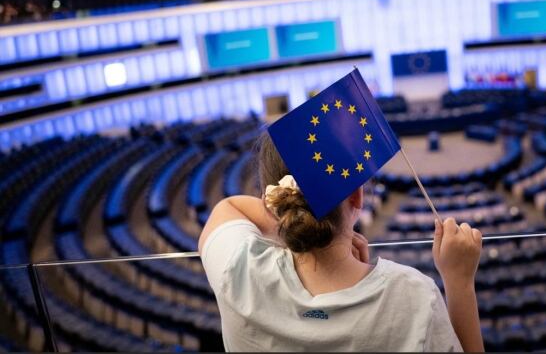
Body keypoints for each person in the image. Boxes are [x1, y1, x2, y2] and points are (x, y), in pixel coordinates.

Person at [199, 132, 484, 352]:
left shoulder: (237, 270)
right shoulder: (415, 297)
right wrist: (459, 281)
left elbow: (228, 208)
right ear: (356, 197)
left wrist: (290, 219)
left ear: (273, 201)